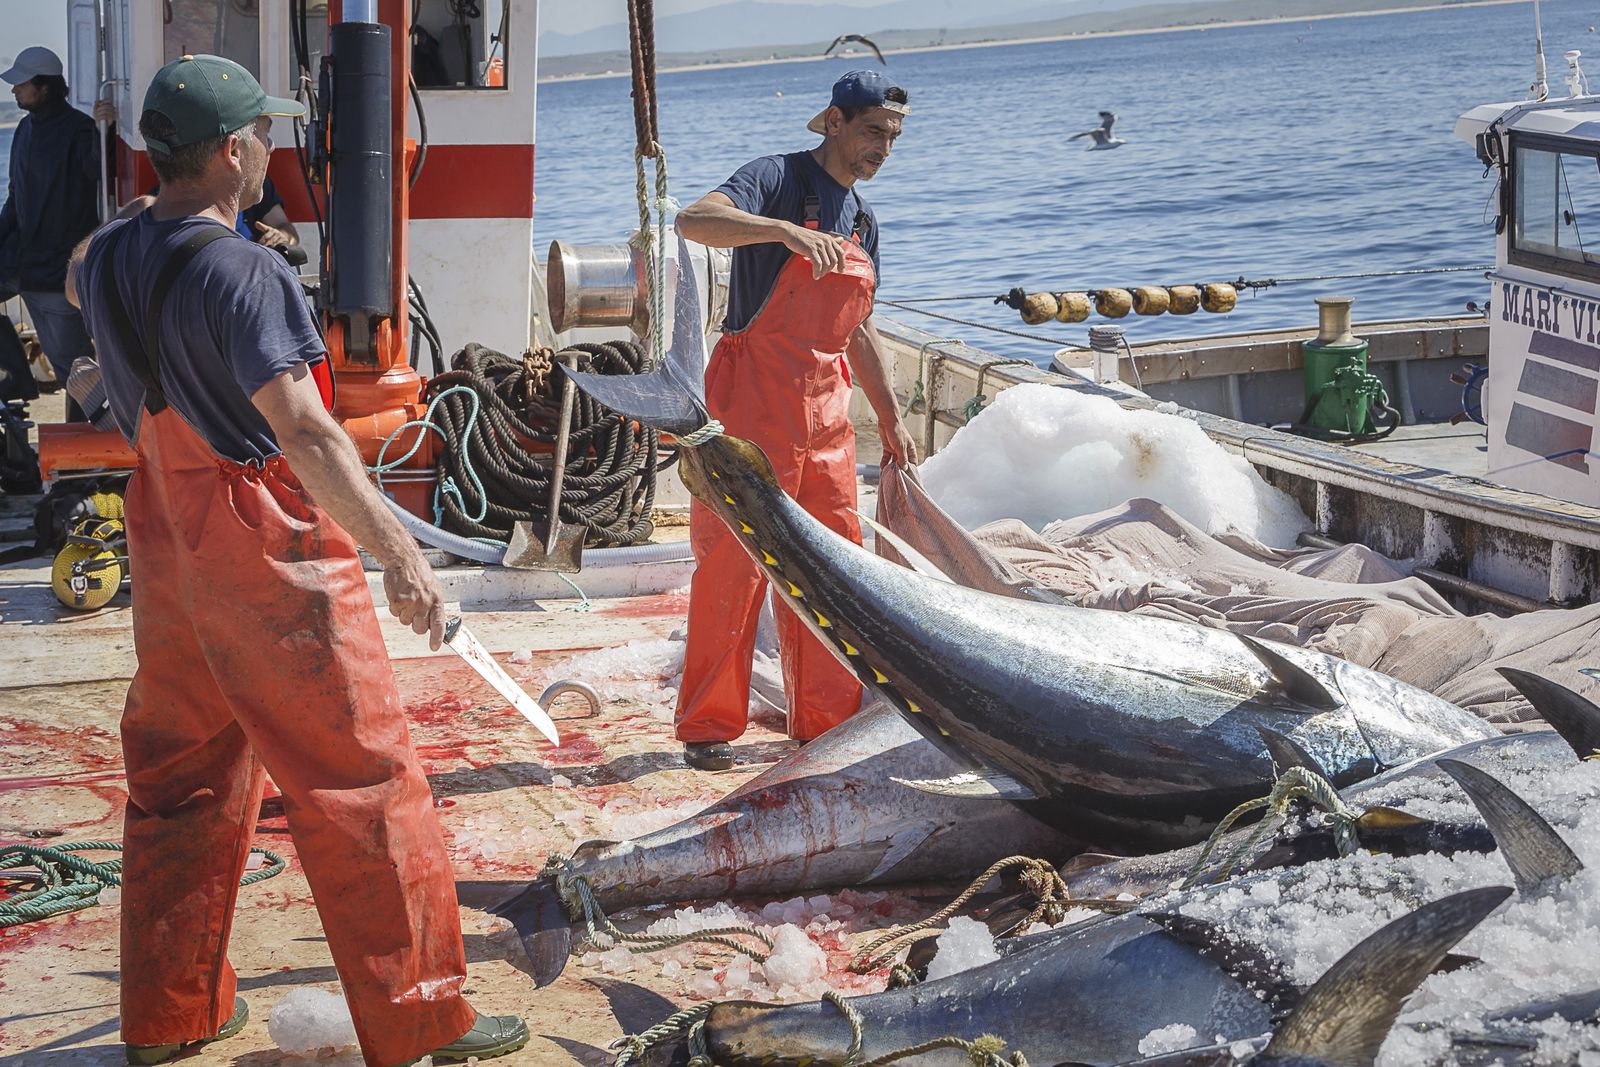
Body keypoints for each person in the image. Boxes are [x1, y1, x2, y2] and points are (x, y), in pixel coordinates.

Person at [64, 55, 527, 1067]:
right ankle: (422, 1018)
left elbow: (78, 275)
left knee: (179, 776)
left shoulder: (106, 255)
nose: (273, 147)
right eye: (264, 133)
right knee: (361, 779)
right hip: (259, 535)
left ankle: (169, 1015)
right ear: (233, 151)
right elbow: (309, 432)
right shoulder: (247, 271)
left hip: (164, 532)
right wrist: (400, 554)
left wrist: (130, 266)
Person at [671, 70, 917, 771]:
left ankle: (823, 724)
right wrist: (780, 231)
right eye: (873, 131)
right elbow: (692, 221)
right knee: (733, 563)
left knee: (830, 566)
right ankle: (708, 726)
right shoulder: (775, 179)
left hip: (829, 415)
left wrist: (891, 419)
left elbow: (860, 329)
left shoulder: (863, 221)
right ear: (834, 123)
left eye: (893, 137)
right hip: (751, 405)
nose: (883, 148)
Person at [0, 46, 99, 417]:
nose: (13, 90)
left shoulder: (81, 130)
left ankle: (87, 440)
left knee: (75, 369)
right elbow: (15, 198)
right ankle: (16, 382)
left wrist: (104, 129)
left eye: (21, 84)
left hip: (58, 274)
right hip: (24, 265)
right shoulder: (25, 129)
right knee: (70, 367)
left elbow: (98, 171)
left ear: (44, 86)